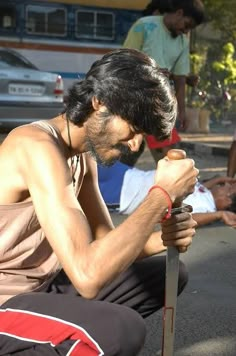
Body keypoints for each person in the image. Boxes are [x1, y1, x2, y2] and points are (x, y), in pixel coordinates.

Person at [0, 48, 198, 355]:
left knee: (168, 274)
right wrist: (161, 195)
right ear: (99, 103)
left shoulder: (81, 157)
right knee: (120, 329)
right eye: (133, 129)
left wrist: (162, 239)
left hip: (44, 288)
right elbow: (89, 275)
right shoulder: (34, 145)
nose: (135, 144)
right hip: (5, 303)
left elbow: (106, 242)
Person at [123, 0, 205, 162]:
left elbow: (180, 78)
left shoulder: (182, 41)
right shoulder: (144, 26)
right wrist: (149, 71)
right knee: (126, 154)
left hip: (159, 104)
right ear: (179, 13)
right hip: (133, 100)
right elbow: (122, 61)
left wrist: (182, 111)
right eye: (186, 24)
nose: (185, 30)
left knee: (170, 155)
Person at [98, 159, 236, 228]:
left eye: (228, 188)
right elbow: (199, 190)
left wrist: (219, 214)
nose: (225, 185)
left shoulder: (206, 209)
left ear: (227, 201)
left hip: (122, 194)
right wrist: (219, 179)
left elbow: (187, 218)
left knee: (79, 182)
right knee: (82, 156)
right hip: (126, 173)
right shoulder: (206, 194)